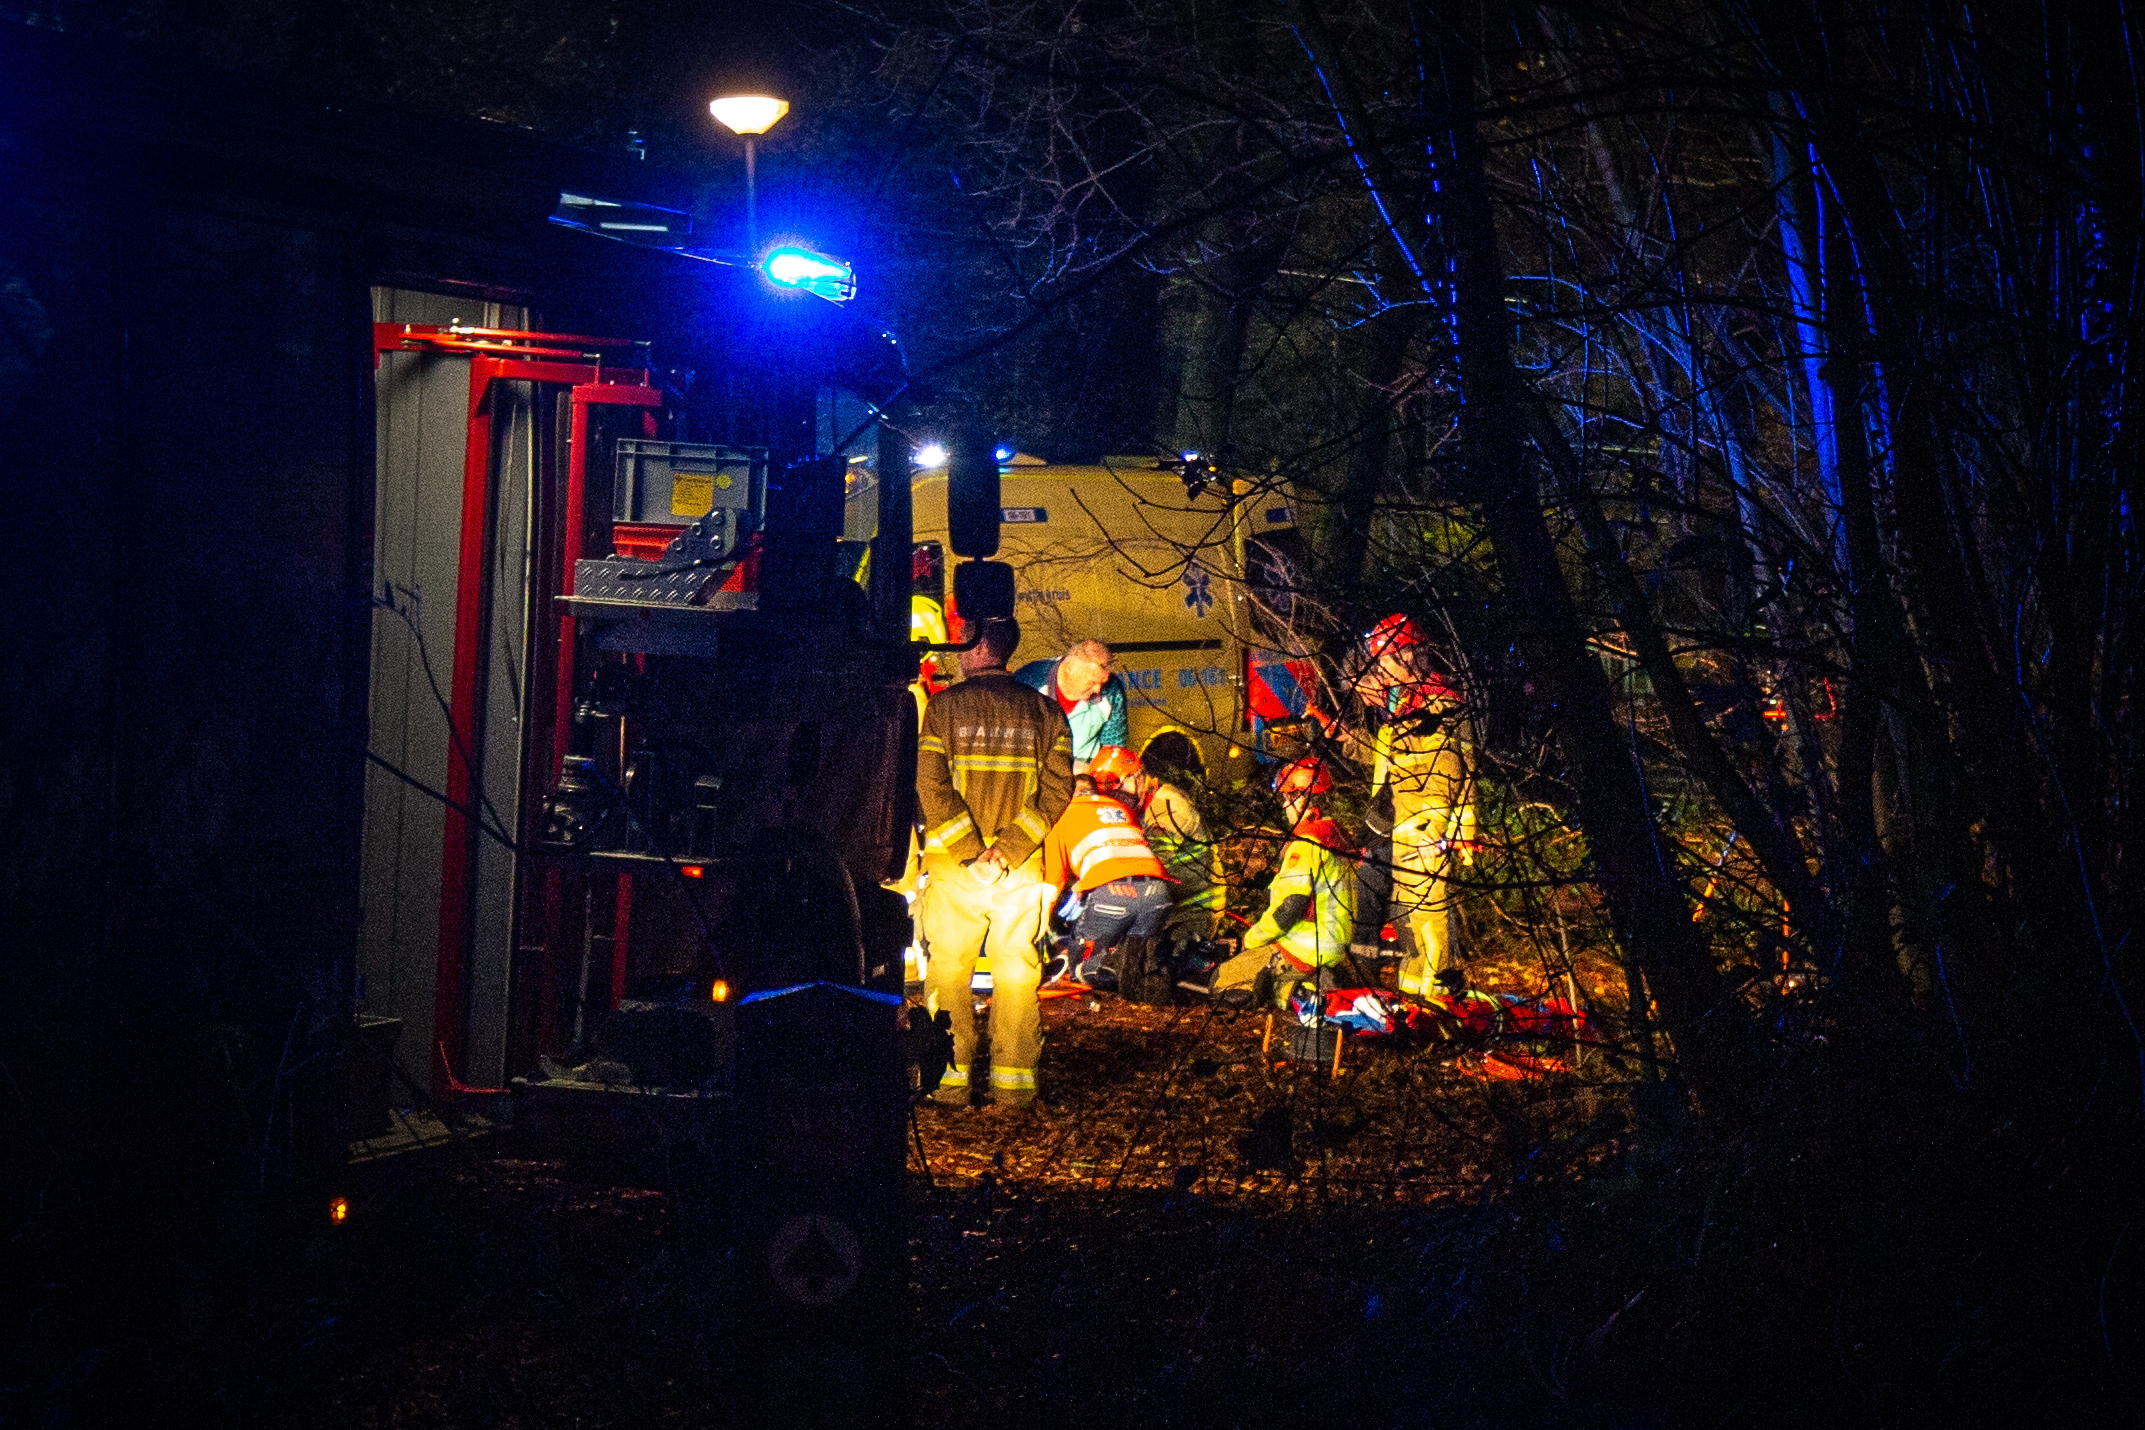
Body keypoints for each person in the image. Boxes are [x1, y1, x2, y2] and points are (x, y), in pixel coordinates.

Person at [916, 616, 1075, 1109]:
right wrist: (1006, 852)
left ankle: (949, 1083)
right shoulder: (1048, 714)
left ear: (983, 645)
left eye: (964, 642)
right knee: (1016, 971)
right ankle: (1014, 1091)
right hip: (1020, 868)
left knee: (948, 969)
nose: (958, 651)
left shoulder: (943, 709)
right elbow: (1058, 790)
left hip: (953, 866)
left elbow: (930, 785)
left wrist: (971, 853)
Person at [1349, 614, 1475, 1001]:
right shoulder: (1408, 704)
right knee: (1410, 915)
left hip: (1427, 830)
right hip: (1407, 827)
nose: (1382, 670)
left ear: (1407, 655)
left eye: (1385, 660)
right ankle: (1415, 992)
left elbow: (1451, 773)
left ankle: (1436, 992)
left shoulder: (1439, 704)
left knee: (1430, 914)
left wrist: (1447, 830)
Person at [1208, 758, 1356, 1005]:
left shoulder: (1306, 844)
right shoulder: (1336, 834)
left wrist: (1250, 939)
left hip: (1302, 950)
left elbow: (1290, 907)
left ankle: (1297, 992)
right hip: (1336, 949)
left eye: (1287, 799)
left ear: (1301, 799)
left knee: (1221, 979)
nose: (1284, 806)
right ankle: (1311, 984)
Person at [1040, 774, 1173, 988]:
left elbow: (1053, 882)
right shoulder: (1121, 808)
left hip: (1113, 892)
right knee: (1136, 960)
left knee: (1083, 967)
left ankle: (1101, 975)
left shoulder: (1061, 815)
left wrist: (1043, 926)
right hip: (1158, 892)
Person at [1088, 744, 1225, 943]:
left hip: (1193, 909)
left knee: (1165, 967)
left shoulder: (1166, 809)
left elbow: (1151, 866)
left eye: (1117, 791)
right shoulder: (1144, 804)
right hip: (1169, 904)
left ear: (1136, 778)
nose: (1116, 800)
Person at [1014, 638, 1128, 770]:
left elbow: (1114, 749)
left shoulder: (1112, 690)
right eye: (1092, 682)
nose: (1098, 689)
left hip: (1085, 774)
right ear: (1070, 668)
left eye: (1102, 682)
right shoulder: (1028, 681)